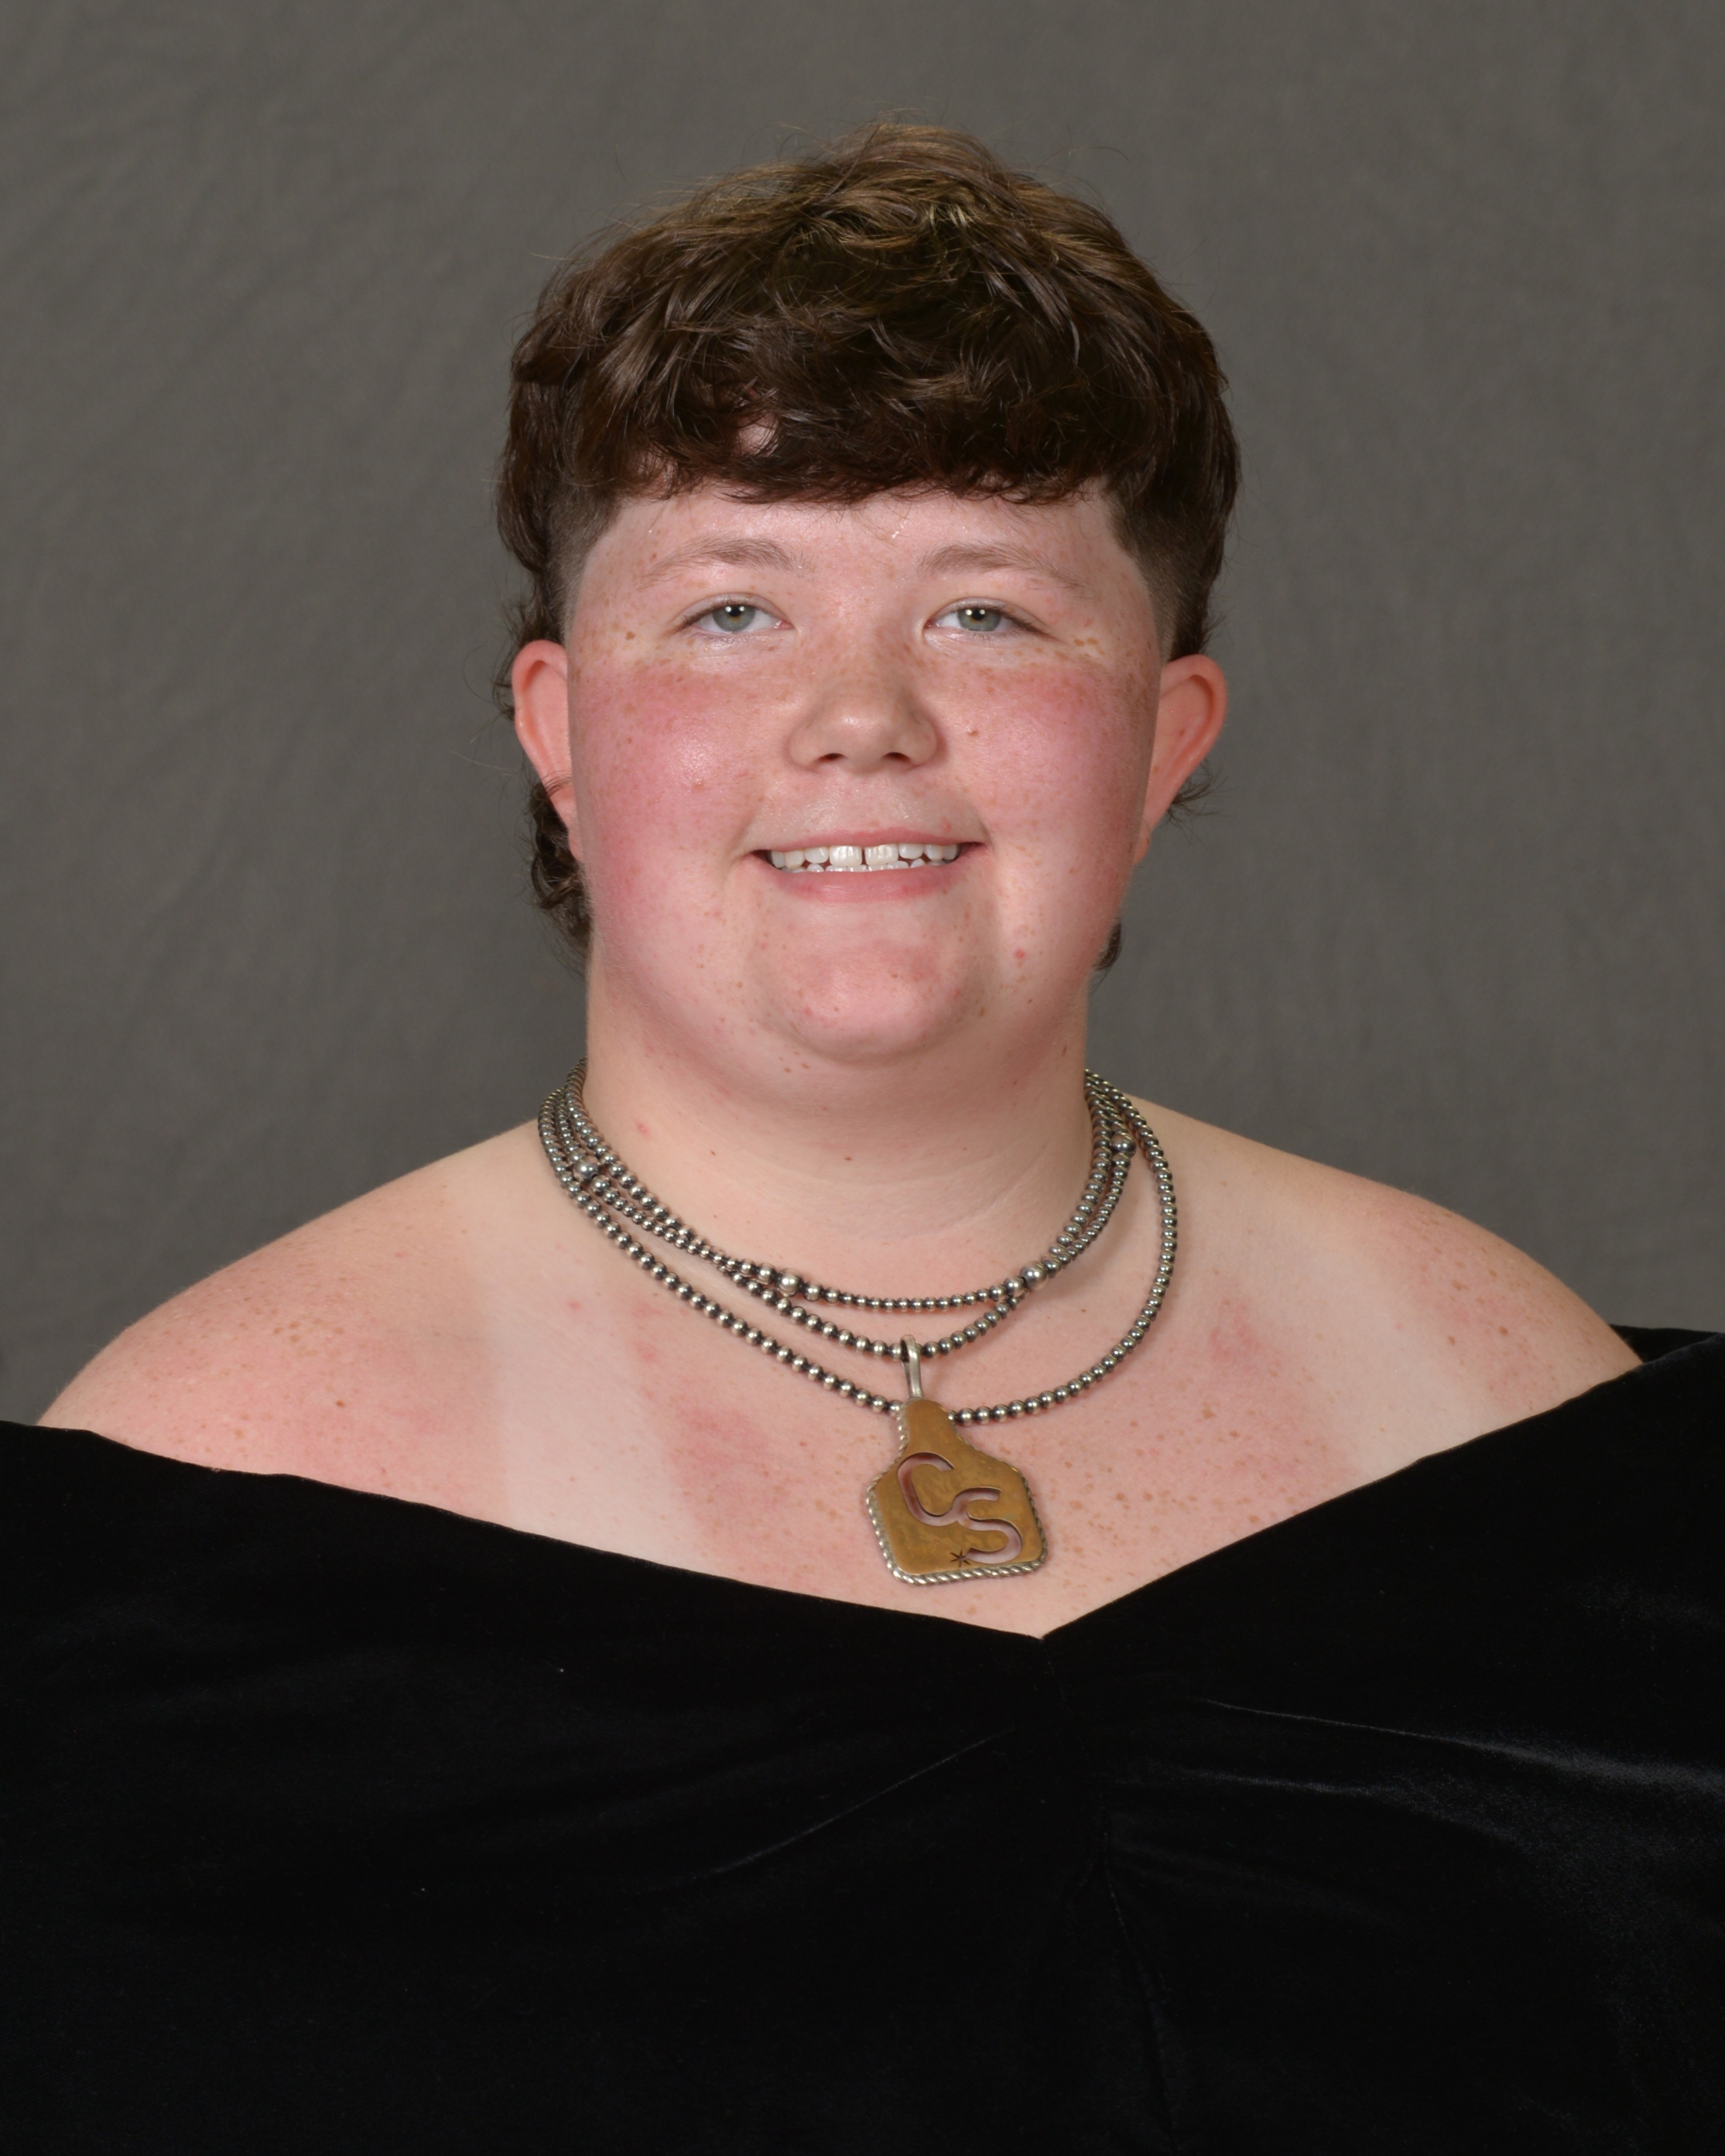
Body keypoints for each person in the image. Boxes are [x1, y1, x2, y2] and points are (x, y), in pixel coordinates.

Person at [8, 124, 1720, 2151]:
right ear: (558, 732)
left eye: (986, 612)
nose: (862, 716)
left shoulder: (1508, 1399)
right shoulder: (190, 1499)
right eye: (732, 609)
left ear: (1166, 735)